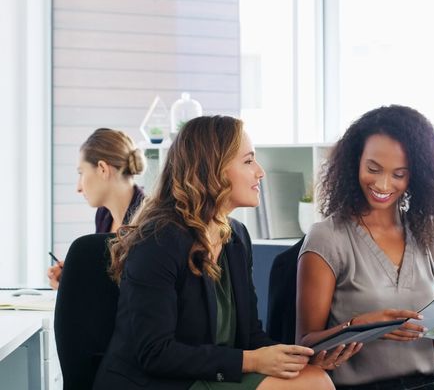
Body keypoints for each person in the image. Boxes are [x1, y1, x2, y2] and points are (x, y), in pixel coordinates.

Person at [93, 115, 334, 390]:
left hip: (212, 373)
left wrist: (298, 359)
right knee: (314, 385)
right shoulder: (157, 242)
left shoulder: (235, 237)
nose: (260, 172)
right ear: (212, 170)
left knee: (313, 376)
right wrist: (252, 361)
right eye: (248, 161)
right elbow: (155, 353)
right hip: (160, 382)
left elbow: (251, 336)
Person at [297, 105, 434, 390]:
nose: (383, 184)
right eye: (373, 169)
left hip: (426, 385)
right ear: (355, 162)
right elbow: (305, 347)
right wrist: (362, 326)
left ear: (415, 176)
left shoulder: (428, 239)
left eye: (399, 174)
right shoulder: (327, 238)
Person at [47, 128, 146, 289]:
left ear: (102, 169)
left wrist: (74, 287)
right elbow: (108, 282)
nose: (78, 188)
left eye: (81, 173)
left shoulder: (149, 223)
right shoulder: (104, 214)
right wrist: (75, 274)